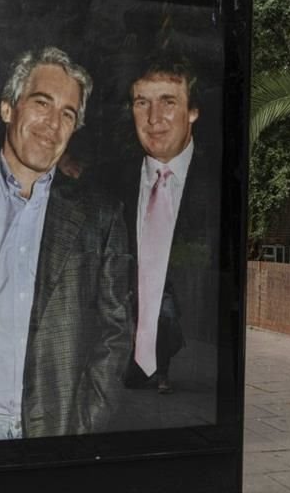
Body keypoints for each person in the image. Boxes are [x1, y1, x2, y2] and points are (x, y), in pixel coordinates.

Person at [0, 45, 132, 443]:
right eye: (42, 103)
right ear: (8, 108)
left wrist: (85, 425)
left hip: (57, 432)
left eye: (68, 114)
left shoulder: (100, 216)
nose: (53, 124)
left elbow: (115, 333)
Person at [119, 57, 220, 399]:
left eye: (168, 102)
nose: (153, 119)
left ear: (193, 111)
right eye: (142, 102)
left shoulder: (216, 183)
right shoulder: (108, 182)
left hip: (190, 352)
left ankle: (161, 371)